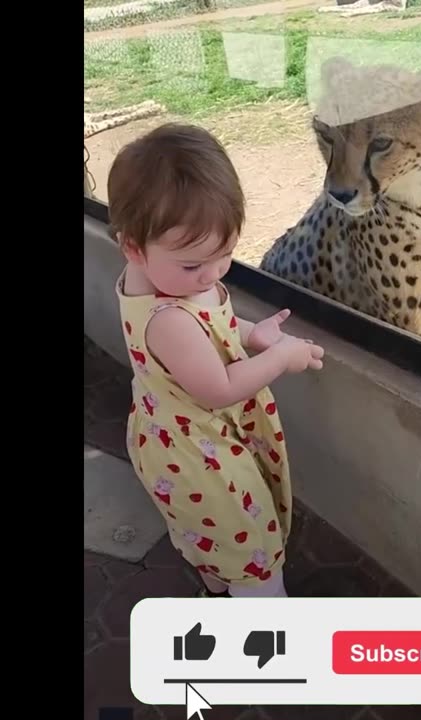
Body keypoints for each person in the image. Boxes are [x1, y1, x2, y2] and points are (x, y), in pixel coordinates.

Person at [108, 123, 324, 598]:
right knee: (250, 548)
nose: (211, 276)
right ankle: (268, 623)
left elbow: (211, 332)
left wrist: (253, 334)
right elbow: (220, 387)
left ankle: (218, 590)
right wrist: (282, 357)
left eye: (225, 254)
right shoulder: (167, 318)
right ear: (132, 247)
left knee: (213, 540)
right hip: (201, 456)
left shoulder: (158, 275)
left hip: (174, 440)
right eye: (194, 264)